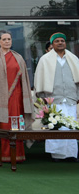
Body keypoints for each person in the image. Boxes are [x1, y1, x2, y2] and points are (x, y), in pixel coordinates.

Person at [0, 30, 33, 162]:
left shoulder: (19, 57)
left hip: (17, 98)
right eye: (4, 39)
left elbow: (25, 80)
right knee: (4, 126)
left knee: (18, 126)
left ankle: (19, 155)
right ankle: (4, 155)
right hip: (1, 99)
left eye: (9, 39)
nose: (7, 42)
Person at [34, 32, 79, 162]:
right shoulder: (45, 59)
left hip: (70, 97)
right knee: (55, 125)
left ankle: (71, 154)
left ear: (65, 43)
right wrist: (42, 96)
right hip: (53, 98)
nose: (60, 43)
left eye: (62, 41)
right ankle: (56, 155)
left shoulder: (73, 59)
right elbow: (40, 78)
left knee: (71, 126)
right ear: (52, 44)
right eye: (57, 41)